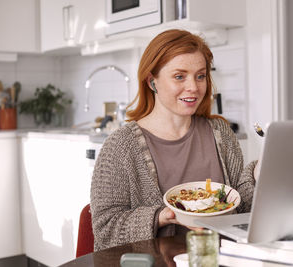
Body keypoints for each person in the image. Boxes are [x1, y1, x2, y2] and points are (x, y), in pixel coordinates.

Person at [90, 29, 257, 251]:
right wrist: (163, 216)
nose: (194, 87)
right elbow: (105, 228)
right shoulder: (120, 145)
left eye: (200, 75)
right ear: (152, 82)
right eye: (180, 76)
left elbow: (240, 206)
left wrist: (257, 175)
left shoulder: (221, 132)